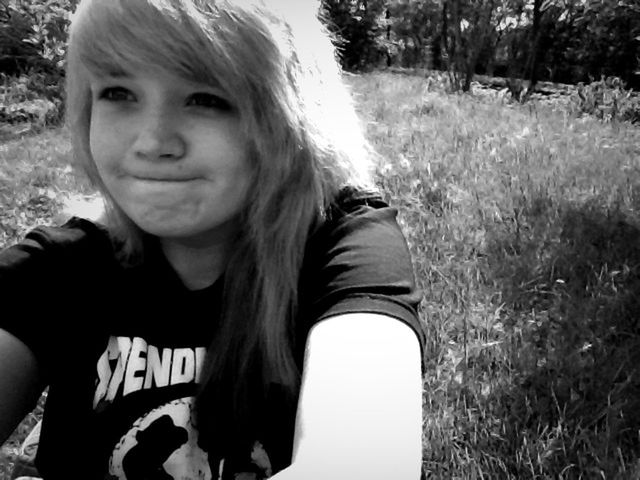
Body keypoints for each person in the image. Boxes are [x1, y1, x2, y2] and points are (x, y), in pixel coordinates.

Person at [0, 0, 426, 478]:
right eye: (118, 92)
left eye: (206, 98)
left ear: (289, 118)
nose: (153, 141)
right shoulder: (62, 267)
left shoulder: (341, 244)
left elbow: (363, 464)